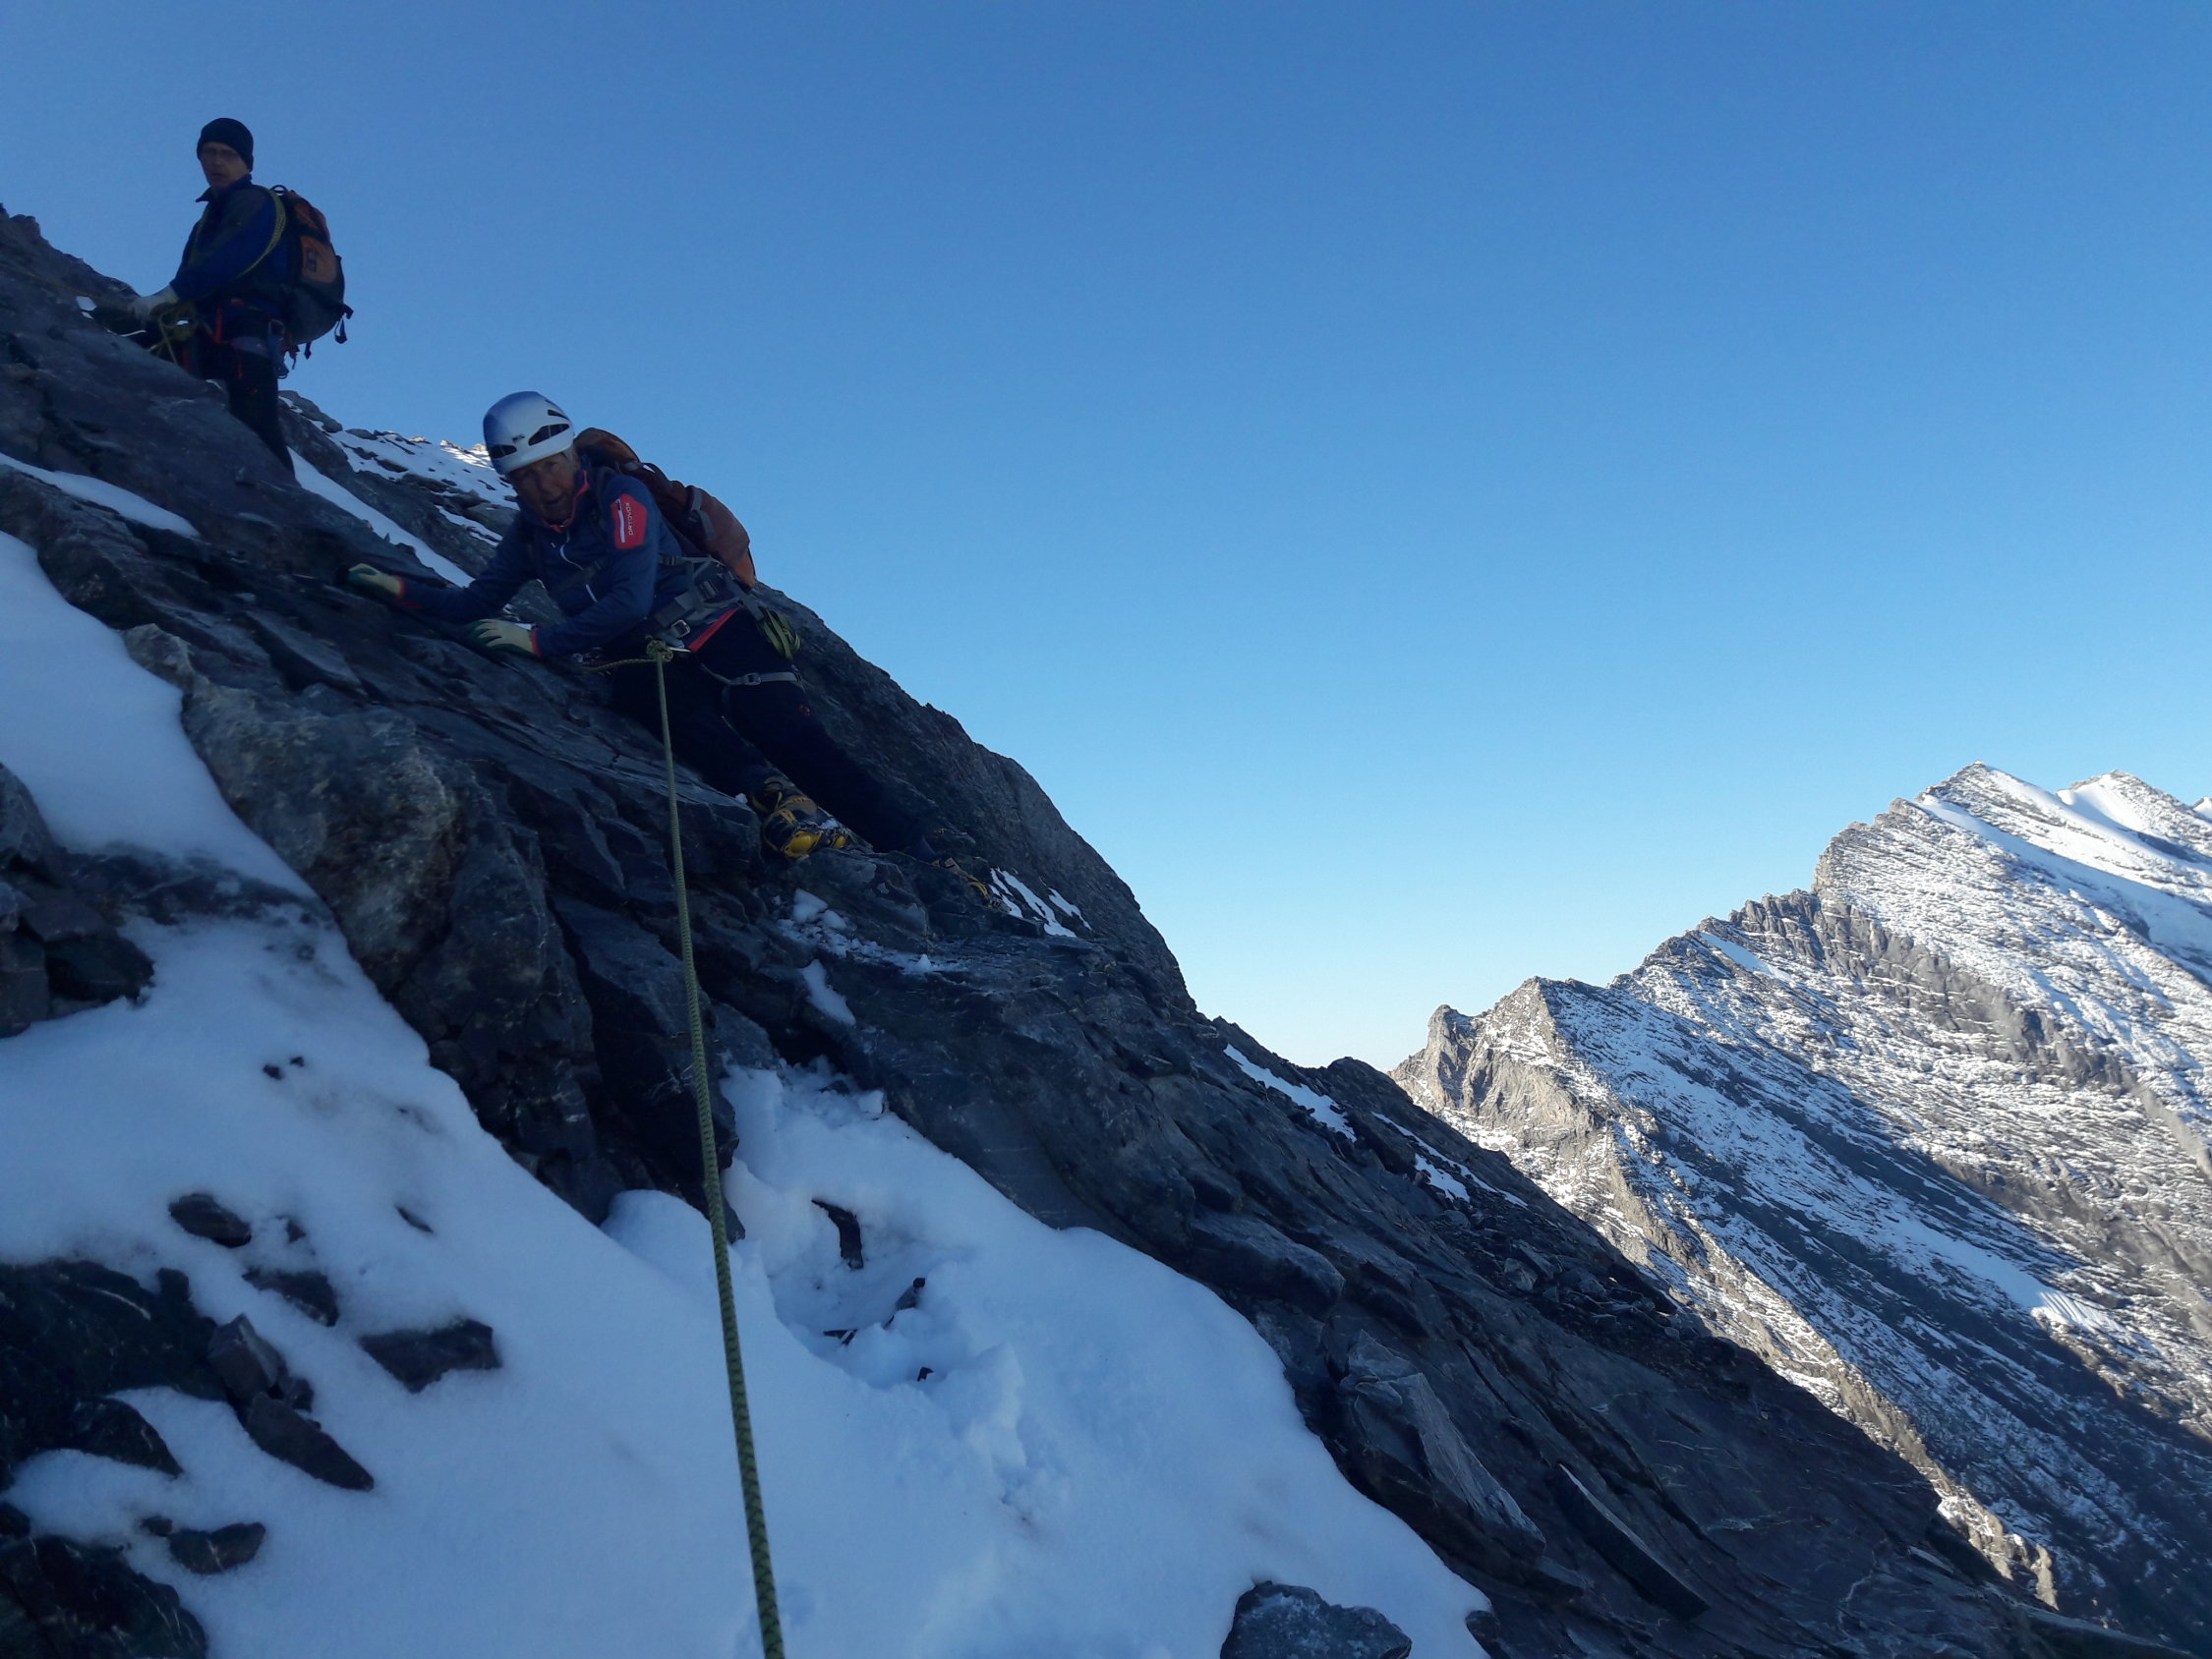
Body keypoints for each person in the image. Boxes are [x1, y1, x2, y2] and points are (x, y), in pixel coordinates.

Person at [344, 392, 936, 863]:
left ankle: (928, 859)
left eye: (550, 467)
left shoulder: (622, 497)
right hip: (651, 652)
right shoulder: (529, 536)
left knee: (793, 738)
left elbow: (628, 601)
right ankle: (775, 800)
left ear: (571, 457)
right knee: (645, 697)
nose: (543, 487)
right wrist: (401, 591)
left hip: (719, 627)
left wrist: (538, 641)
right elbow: (478, 599)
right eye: (525, 476)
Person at [124, 119, 291, 464]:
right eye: (209, 153)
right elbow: (197, 277)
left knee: (259, 430)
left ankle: (290, 500)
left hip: (247, 331)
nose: (216, 162)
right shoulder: (212, 215)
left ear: (247, 164)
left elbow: (228, 260)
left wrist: (167, 296)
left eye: (228, 154)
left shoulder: (255, 203)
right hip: (212, 330)